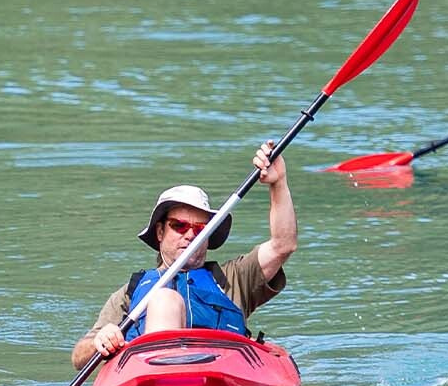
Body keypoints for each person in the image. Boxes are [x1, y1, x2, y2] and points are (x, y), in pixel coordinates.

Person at [70, 143, 294, 371]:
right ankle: (163, 374)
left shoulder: (235, 278)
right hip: (149, 377)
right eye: (179, 226)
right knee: (164, 299)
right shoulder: (129, 292)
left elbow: (282, 245)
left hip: (220, 373)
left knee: (164, 299)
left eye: (200, 229)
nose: (190, 235)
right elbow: (79, 358)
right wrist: (100, 342)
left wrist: (278, 183)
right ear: (160, 232)